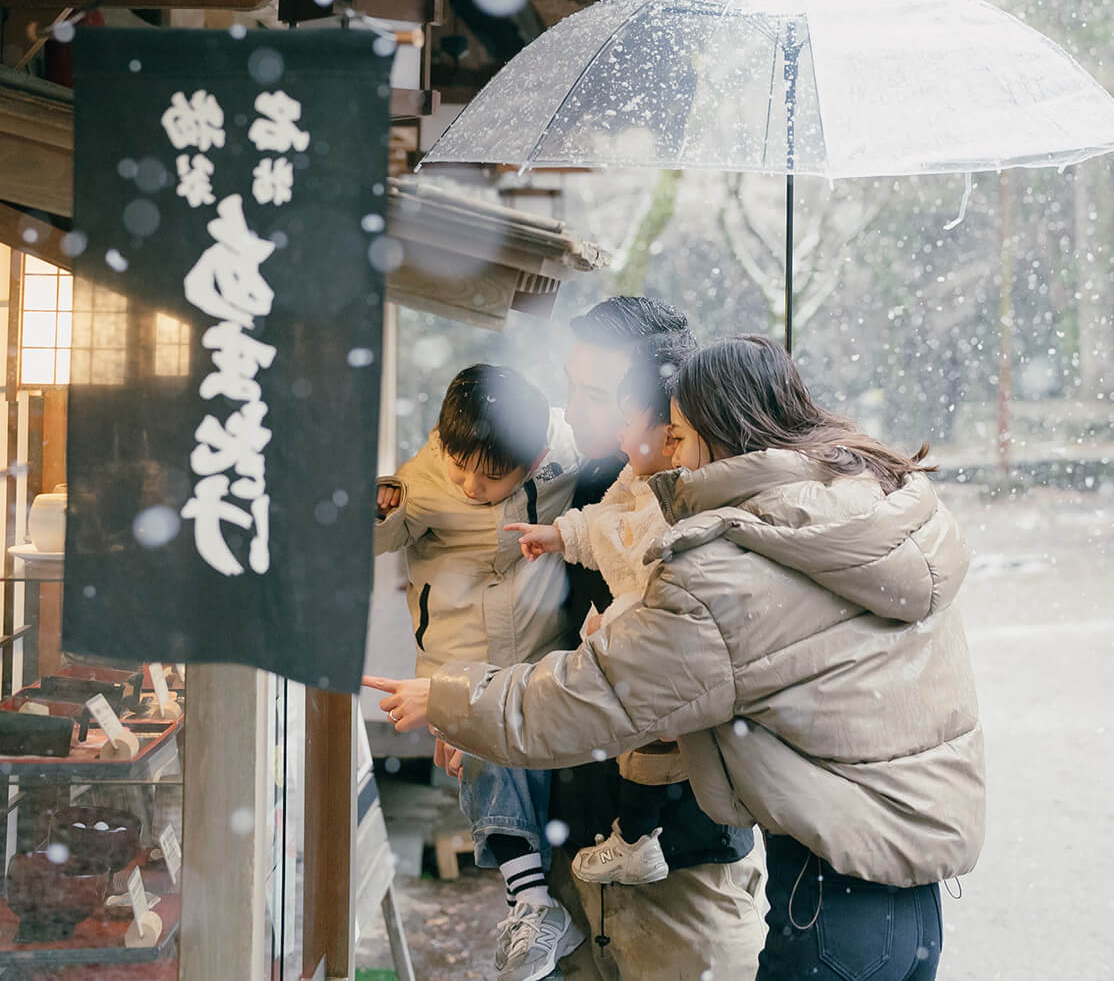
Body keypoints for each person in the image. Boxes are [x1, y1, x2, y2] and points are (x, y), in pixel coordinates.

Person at [371, 336, 986, 981]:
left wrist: (445, 698)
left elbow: (600, 695)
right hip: (907, 887)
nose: (673, 455)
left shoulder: (736, 562)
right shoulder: (858, 505)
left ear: (721, 434)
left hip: (828, 890)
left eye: (682, 436)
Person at [369, 363, 585, 981]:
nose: (468, 485)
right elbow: (380, 536)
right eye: (460, 464)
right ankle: (531, 902)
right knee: (482, 746)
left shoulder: (566, 453)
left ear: (537, 455)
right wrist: (375, 508)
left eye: (490, 477)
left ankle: (541, 906)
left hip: (541, 654)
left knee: (540, 779)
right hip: (459, 659)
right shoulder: (425, 479)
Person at [506, 341, 687, 887]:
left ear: (673, 432)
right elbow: (605, 520)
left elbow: (638, 556)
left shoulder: (682, 493)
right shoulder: (621, 475)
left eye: (604, 400)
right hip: (579, 805)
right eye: (571, 388)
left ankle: (637, 838)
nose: (578, 412)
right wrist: (560, 534)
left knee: (651, 743)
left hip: (688, 856)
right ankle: (630, 837)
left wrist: (609, 629)